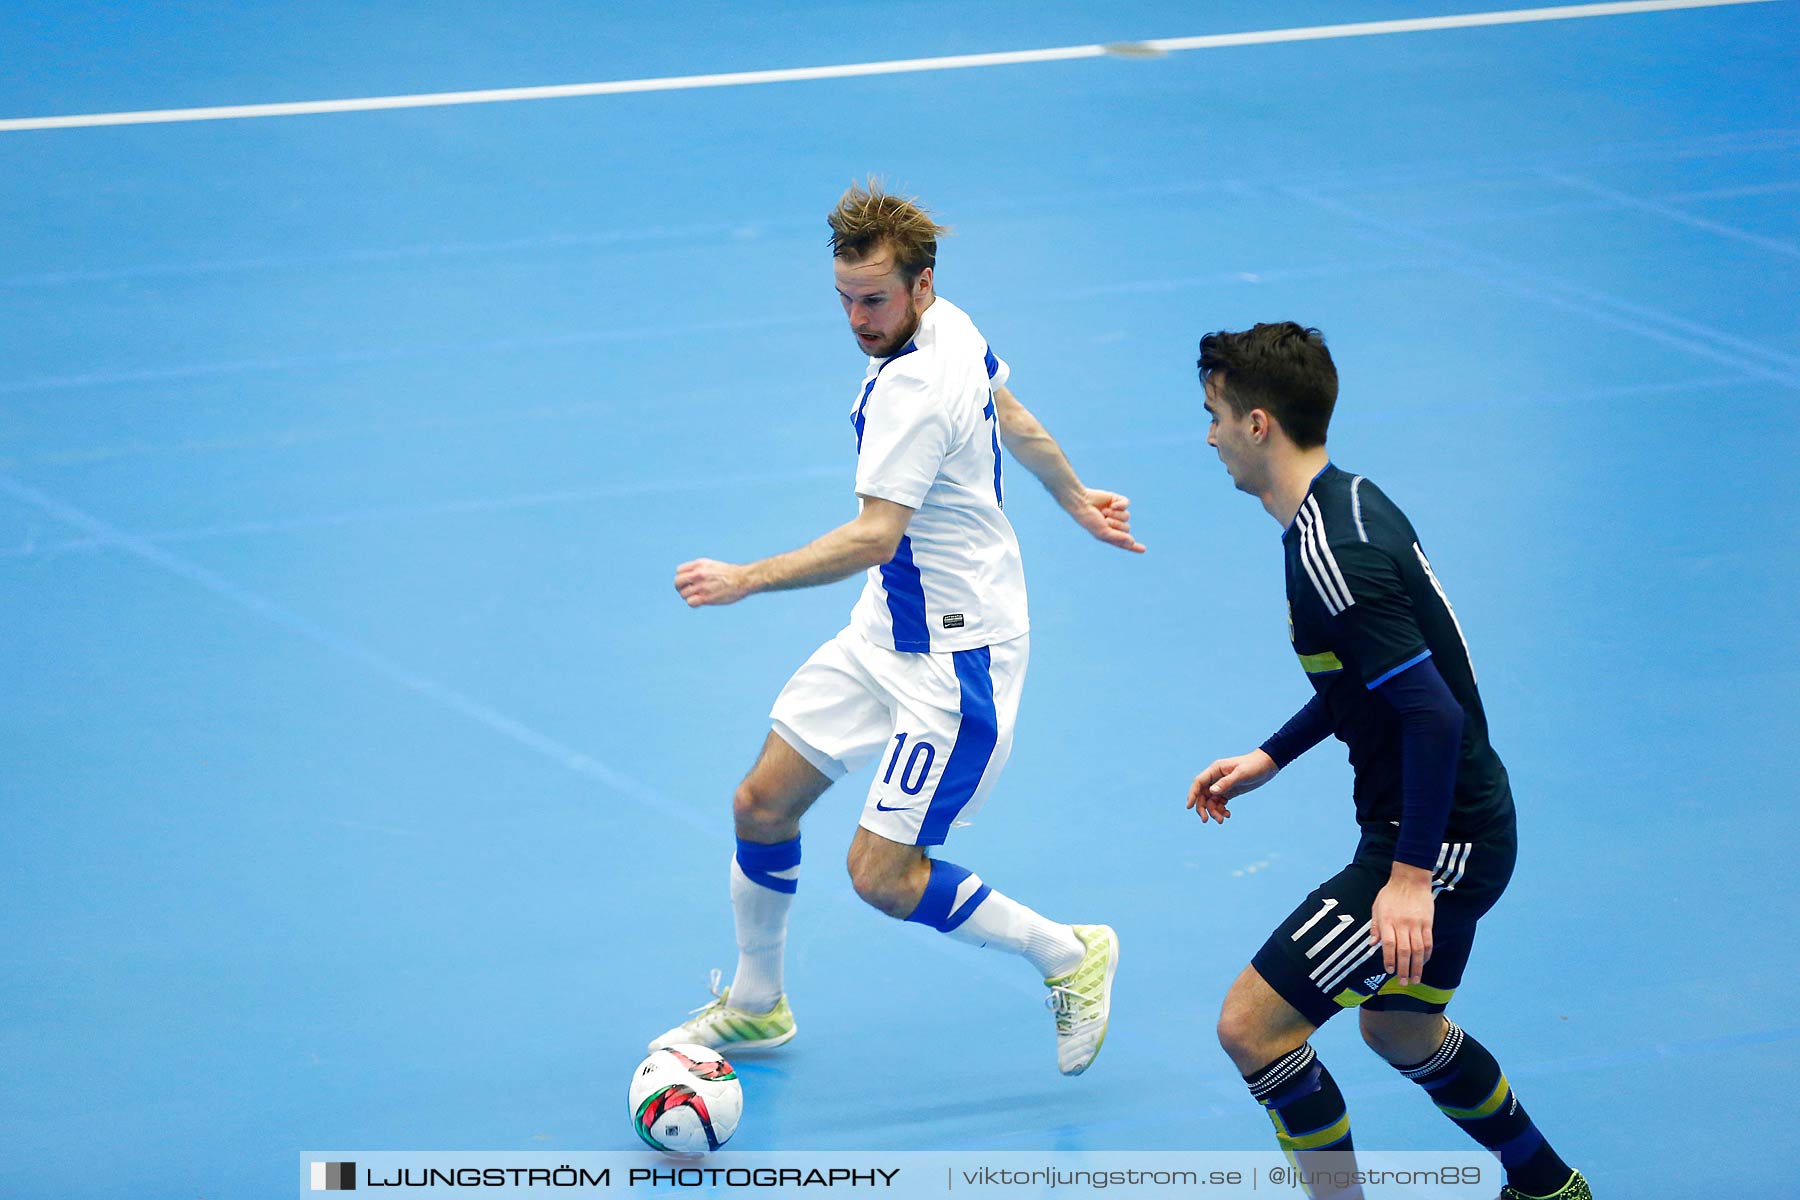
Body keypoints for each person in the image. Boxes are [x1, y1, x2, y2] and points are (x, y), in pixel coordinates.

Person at [650, 181, 1141, 1075]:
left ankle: (1071, 955)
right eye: (843, 298)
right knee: (760, 805)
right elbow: (1012, 411)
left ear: (920, 285)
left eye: (872, 300)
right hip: (886, 629)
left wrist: (746, 579)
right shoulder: (948, 321)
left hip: (957, 661)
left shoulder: (915, 387)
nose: (855, 318)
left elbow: (875, 535)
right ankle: (759, 1007)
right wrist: (1074, 497)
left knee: (882, 875)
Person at [1185, 323, 1589, 1200]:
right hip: (1467, 822)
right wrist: (1271, 756)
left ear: (1258, 423)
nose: (1208, 435)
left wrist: (1407, 879)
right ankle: (1550, 1187)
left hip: (1435, 839)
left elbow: (1432, 716)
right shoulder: (1349, 502)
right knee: (1400, 1031)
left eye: (1214, 415)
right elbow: (1369, 683)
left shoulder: (1336, 555)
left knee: (1253, 1029)